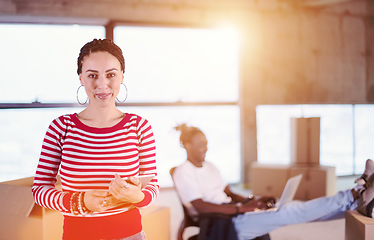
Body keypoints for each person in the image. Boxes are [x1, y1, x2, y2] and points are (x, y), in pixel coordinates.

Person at [32, 39, 159, 240]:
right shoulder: (60, 128)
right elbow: (39, 190)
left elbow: (152, 184)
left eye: (111, 75)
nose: (102, 84)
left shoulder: (139, 127)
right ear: (81, 78)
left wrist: (139, 197)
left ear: (122, 76)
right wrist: (79, 202)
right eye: (92, 75)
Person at [172, 123, 374, 240]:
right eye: (200, 145)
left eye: (206, 143)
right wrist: (242, 209)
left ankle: (359, 203)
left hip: (236, 212)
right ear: (186, 145)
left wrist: (254, 201)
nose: (205, 148)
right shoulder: (183, 172)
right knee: (293, 212)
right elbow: (202, 207)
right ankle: (354, 193)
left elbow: (230, 193)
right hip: (223, 222)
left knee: (297, 210)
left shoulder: (210, 166)